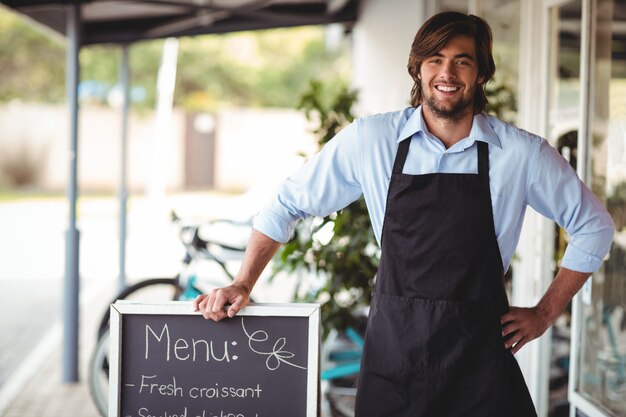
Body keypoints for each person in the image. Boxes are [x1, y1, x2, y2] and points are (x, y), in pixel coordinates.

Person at [193, 11, 614, 416]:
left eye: (462, 61)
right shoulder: (372, 140)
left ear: (481, 73)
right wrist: (242, 282)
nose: (446, 74)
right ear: (418, 69)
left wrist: (544, 313)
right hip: (394, 364)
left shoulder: (521, 154)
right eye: (435, 60)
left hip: (480, 368)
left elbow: (594, 227)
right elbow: (286, 204)